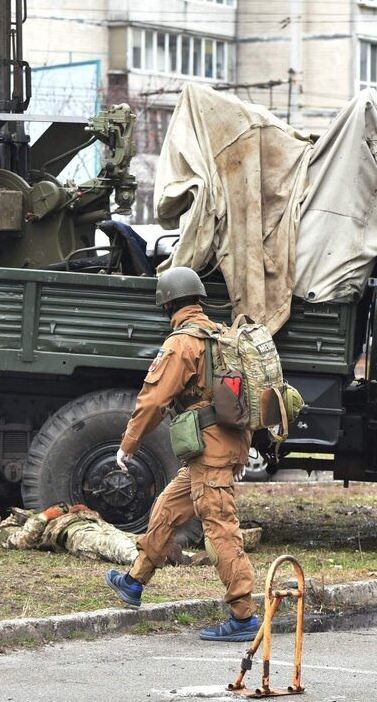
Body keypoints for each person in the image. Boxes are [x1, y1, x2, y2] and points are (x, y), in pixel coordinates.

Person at [103, 267, 260, 642]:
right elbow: (248, 396)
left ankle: (243, 616)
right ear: (199, 298)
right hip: (223, 446)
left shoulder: (182, 343)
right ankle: (134, 582)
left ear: (167, 303)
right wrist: (242, 447)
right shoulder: (223, 336)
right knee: (168, 508)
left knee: (220, 528)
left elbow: (154, 400)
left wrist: (129, 444)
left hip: (210, 450)